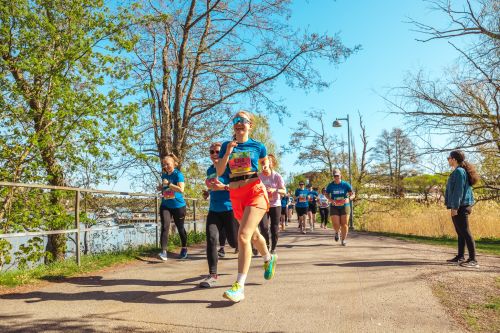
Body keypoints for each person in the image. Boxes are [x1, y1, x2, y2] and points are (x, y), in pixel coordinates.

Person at [216, 110, 277, 303]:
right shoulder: (227, 145)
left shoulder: (258, 146)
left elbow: (264, 166)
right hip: (235, 194)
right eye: (235, 120)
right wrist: (226, 152)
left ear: (250, 125)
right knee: (254, 235)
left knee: (243, 235)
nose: (239, 123)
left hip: (254, 191)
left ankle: (239, 287)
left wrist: (266, 168)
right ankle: (268, 258)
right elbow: (219, 171)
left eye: (243, 120)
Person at [200, 142, 239, 288]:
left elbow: (238, 187)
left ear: (222, 153)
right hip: (214, 210)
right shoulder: (210, 169)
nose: (214, 154)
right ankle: (212, 274)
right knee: (211, 239)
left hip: (230, 210)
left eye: (217, 151)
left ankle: (247, 243)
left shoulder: (230, 167)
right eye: (211, 152)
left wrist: (224, 187)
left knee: (234, 242)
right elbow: (213, 186)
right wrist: (208, 191)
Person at [445, 150, 480, 268]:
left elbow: (458, 191)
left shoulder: (459, 171)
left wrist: (455, 207)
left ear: (454, 159)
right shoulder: (458, 171)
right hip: (460, 205)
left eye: (448, 158)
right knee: (460, 232)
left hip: (461, 206)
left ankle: (473, 260)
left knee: (465, 232)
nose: (448, 160)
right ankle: (460, 257)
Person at [157, 154, 188, 260]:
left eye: (168, 164)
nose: (166, 166)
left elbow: (181, 189)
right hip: (166, 205)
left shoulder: (178, 175)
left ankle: (184, 248)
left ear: (174, 164)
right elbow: (166, 188)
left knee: (180, 228)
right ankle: (164, 252)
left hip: (178, 206)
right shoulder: (164, 175)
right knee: (165, 226)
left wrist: (169, 184)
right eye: (164, 164)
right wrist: (161, 187)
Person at [259, 154, 286, 254]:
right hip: (263, 205)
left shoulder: (277, 176)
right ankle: (266, 244)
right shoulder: (259, 176)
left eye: (267, 161)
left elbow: (284, 191)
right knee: (263, 227)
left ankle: (273, 248)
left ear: (272, 163)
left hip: (275, 205)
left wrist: (275, 189)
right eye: (263, 162)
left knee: (274, 228)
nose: (265, 164)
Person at [326, 169, 355, 246]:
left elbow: (353, 194)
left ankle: (343, 240)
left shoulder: (345, 184)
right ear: (333, 176)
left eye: (337, 175)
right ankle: (337, 232)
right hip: (334, 206)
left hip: (345, 206)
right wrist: (331, 200)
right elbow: (326, 194)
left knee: (344, 224)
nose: (336, 177)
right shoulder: (330, 185)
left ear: (340, 175)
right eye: (335, 176)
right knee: (336, 224)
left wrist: (348, 199)